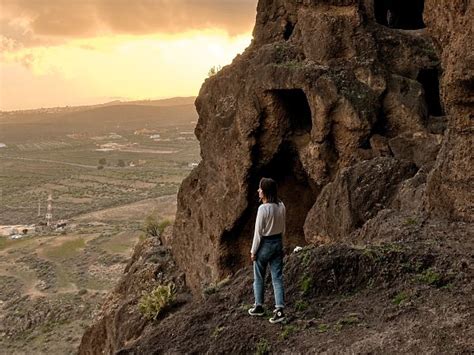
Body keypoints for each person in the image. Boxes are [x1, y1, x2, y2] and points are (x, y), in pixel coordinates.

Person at [248, 177, 286, 323]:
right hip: (277, 242)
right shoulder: (281, 206)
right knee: (277, 277)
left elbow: (258, 233)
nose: (258, 191)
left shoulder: (263, 209)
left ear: (265, 192)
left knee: (259, 276)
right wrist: (280, 243)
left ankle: (258, 306)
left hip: (265, 243)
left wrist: (253, 251)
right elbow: (283, 228)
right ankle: (280, 310)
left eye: (260, 189)